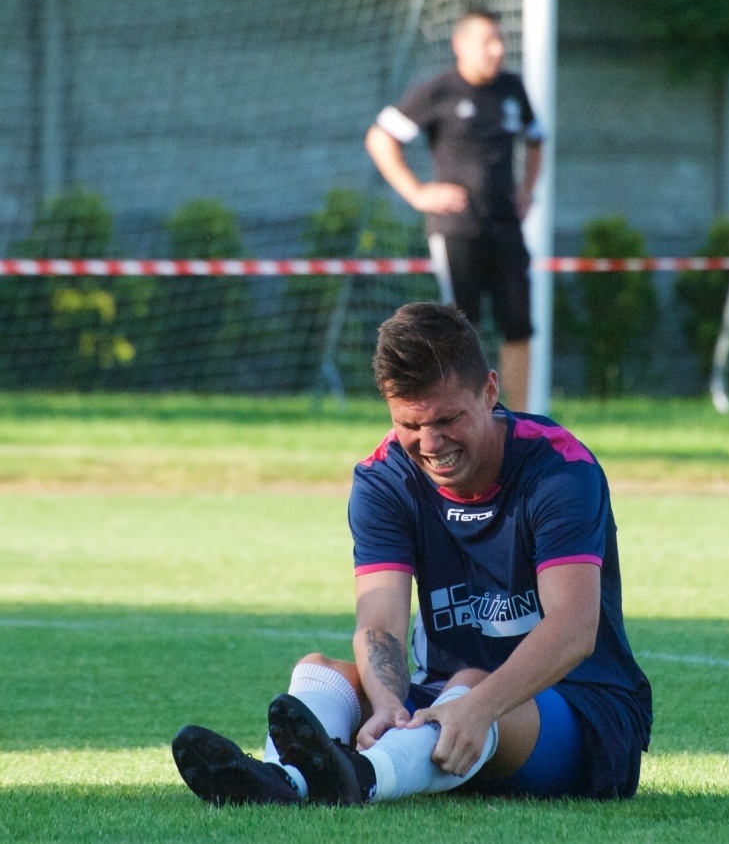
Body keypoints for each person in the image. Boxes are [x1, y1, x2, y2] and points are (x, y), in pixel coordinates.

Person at [171, 302, 652, 806]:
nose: (430, 443)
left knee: (467, 683)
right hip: (445, 700)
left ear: (490, 391)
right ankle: (280, 782)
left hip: (583, 712)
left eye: (447, 419)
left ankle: (362, 779)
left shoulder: (559, 469)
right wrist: (386, 705)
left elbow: (574, 628)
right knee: (322, 671)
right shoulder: (384, 478)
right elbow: (379, 625)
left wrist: (480, 705)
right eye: (411, 424)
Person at [365, 8, 544, 412]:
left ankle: (522, 420)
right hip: (456, 229)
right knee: (462, 330)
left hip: (505, 227)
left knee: (519, 326)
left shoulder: (512, 89)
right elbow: (380, 138)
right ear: (460, 45)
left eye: (500, 41)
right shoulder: (439, 91)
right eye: (487, 42)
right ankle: (471, 417)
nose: (497, 50)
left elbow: (537, 140)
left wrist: (528, 190)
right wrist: (416, 193)